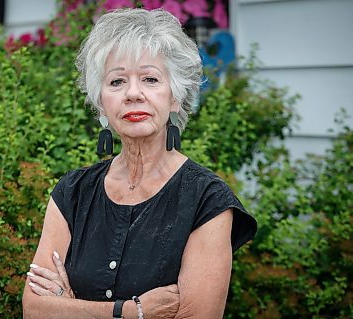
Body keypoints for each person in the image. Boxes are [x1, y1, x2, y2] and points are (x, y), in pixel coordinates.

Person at [22, 8, 257, 319]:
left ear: (175, 96)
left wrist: (70, 305)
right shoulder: (72, 193)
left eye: (150, 78)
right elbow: (35, 310)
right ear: (101, 101)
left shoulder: (207, 201)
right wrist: (131, 312)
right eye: (117, 81)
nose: (133, 93)